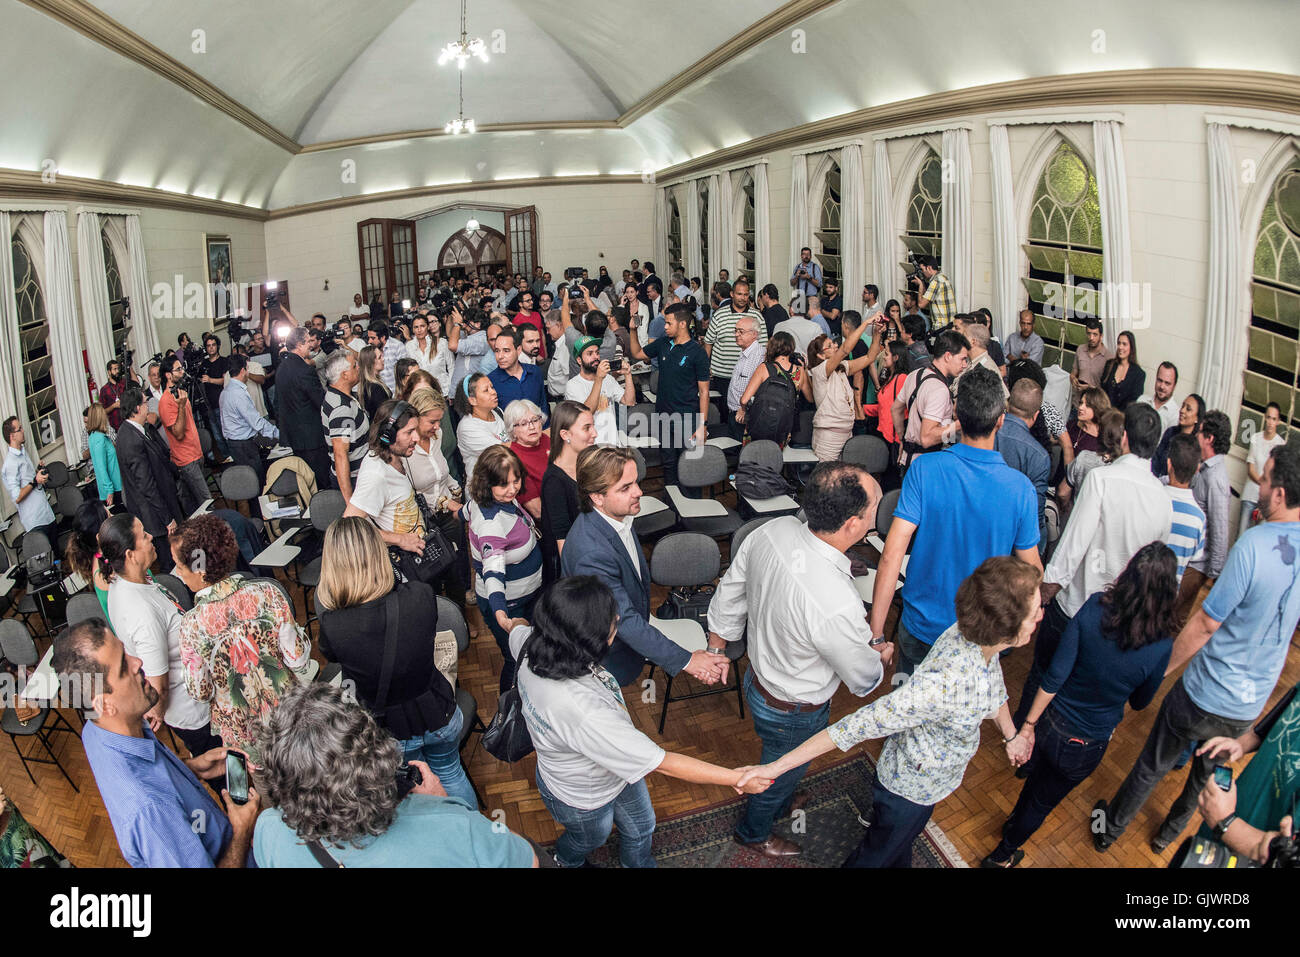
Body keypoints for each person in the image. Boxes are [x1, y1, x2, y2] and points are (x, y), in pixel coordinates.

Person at [742, 555, 1042, 868]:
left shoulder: (977, 638)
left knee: (896, 847)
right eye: (1034, 613)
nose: (1040, 617)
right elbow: (851, 727)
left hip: (932, 782)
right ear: (1006, 629)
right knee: (874, 858)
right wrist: (774, 768)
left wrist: (1012, 737)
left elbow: (991, 690)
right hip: (910, 792)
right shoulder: (939, 688)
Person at [1096, 445, 1300, 854]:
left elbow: (1207, 623)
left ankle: (1109, 830)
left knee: (1153, 763)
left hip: (1204, 693)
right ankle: (1166, 838)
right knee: (1206, 780)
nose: (1259, 483)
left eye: (1266, 477)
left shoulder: (1254, 545)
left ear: (1278, 494)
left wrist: (1160, 671)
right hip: (1247, 707)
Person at [511, 577, 769, 868]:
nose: (618, 618)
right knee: (589, 839)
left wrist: (508, 620)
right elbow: (666, 763)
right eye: (611, 619)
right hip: (581, 795)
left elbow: (516, 629)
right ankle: (565, 860)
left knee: (642, 827)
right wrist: (735, 778)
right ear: (588, 640)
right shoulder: (584, 713)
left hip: (617, 773)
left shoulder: (534, 643)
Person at [708, 462, 887, 857]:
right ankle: (753, 832)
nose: (880, 509)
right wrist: (878, 651)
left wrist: (718, 648)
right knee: (777, 773)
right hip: (793, 709)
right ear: (854, 525)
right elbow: (863, 681)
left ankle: (784, 795)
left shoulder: (772, 531)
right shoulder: (835, 602)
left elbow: (730, 593)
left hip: (758, 680)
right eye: (875, 505)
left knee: (780, 763)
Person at [984, 544, 1178, 868]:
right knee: (1042, 802)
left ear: (1128, 575)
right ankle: (1002, 856)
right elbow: (1141, 702)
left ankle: (1013, 822)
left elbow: (1055, 676)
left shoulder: (1094, 607)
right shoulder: (1161, 646)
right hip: (1086, 745)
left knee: (1034, 783)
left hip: (1049, 722)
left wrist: (1028, 726)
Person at [873, 365, 1041, 674]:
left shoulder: (924, 469)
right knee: (959, 717)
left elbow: (891, 557)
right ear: (1001, 420)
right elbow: (1032, 572)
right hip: (980, 633)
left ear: (957, 418)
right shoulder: (1021, 490)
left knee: (909, 709)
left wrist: (876, 635)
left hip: (922, 624)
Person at [253, 683, 534, 867]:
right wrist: (442, 805)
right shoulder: (458, 827)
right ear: (376, 751)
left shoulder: (268, 829)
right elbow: (528, 861)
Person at [53, 619, 259, 867]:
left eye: (126, 652)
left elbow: (159, 781)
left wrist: (192, 768)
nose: (137, 662)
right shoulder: (149, 813)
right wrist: (242, 829)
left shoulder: (99, 729)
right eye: (123, 667)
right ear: (104, 704)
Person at [1016, 404, 1172, 727]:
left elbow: (1073, 544)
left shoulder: (1103, 479)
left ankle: (1023, 736)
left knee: (1043, 674)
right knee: (1074, 687)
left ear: (1125, 437)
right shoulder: (1163, 498)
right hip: (1117, 619)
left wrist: (1045, 591)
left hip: (1074, 606)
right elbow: (1153, 564)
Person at [315, 518, 476, 808]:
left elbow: (334, 656)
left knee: (413, 797)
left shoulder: (332, 624)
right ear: (379, 553)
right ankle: (473, 834)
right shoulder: (420, 595)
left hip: (389, 730)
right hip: (440, 712)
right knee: (451, 773)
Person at [562, 446, 723, 687]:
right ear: (597, 497)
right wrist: (688, 660)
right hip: (608, 659)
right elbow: (622, 620)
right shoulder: (592, 553)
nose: (638, 492)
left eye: (636, 482)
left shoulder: (616, 516)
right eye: (625, 488)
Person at [170, 515, 312, 767]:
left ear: (200, 569)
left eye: (179, 566)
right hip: (293, 721)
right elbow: (298, 658)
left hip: (246, 739)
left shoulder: (191, 625)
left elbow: (200, 692)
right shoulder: (268, 593)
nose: (178, 575)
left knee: (272, 800)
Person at [100, 513, 216, 758]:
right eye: (143, 535)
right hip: (194, 708)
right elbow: (158, 685)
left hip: (197, 691)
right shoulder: (141, 612)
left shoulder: (126, 581)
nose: (151, 536)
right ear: (130, 555)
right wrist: (159, 711)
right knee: (221, 765)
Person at [1189, 679, 1300, 866]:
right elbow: (1288, 710)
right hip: (1227, 816)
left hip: (1242, 852)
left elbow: (1287, 858)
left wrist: (1225, 822)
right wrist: (1243, 743)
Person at [464, 444, 543, 691]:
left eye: (516, 480)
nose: (512, 489)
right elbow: (493, 571)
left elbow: (465, 511)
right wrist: (501, 613)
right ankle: (507, 714)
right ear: (487, 484)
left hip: (524, 596)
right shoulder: (491, 526)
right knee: (515, 659)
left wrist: (454, 511)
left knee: (527, 653)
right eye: (504, 484)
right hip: (509, 605)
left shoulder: (484, 501)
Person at [625, 303, 710, 488]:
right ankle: (673, 505)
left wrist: (703, 425)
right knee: (669, 464)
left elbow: (704, 391)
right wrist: (632, 330)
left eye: (668, 323)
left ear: (682, 324)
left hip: (687, 418)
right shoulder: (663, 343)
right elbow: (638, 353)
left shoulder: (697, 353)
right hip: (663, 416)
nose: (665, 327)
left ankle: (691, 508)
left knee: (689, 465)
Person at [113, 389, 184, 567]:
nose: (148, 406)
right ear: (137, 408)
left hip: (161, 505)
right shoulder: (130, 438)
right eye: (145, 403)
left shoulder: (136, 430)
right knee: (173, 562)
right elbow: (146, 485)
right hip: (155, 515)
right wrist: (167, 518)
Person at [1175, 409, 1232, 624]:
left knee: (1170, 619)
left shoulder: (1216, 478)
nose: (1196, 435)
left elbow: (1220, 531)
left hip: (1196, 565)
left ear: (1209, 438)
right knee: (1173, 620)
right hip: (1189, 560)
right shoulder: (1205, 469)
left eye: (1199, 432)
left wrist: (1211, 579)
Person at [805, 318, 884, 461]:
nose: (835, 345)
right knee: (828, 478)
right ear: (820, 355)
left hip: (847, 432)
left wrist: (876, 333)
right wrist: (866, 323)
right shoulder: (820, 370)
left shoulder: (841, 368)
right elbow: (845, 349)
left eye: (834, 343)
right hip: (829, 436)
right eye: (830, 345)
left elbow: (870, 357)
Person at [892, 329, 970, 470]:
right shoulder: (939, 389)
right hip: (926, 466)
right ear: (948, 356)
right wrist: (961, 424)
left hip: (907, 459)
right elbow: (926, 438)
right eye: (962, 359)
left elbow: (896, 409)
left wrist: (902, 438)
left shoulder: (915, 374)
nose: (965, 365)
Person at [539, 401, 596, 585]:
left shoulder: (586, 464)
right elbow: (562, 542)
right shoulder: (554, 481)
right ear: (565, 435)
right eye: (587, 428)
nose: (594, 433)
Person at [995, 378, 1051, 548]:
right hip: (1010, 538)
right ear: (1035, 415)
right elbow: (1036, 515)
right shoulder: (1039, 456)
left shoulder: (984, 431)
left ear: (1008, 404)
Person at [704, 278, 767, 426]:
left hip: (748, 379)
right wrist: (706, 366)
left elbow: (764, 346)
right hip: (722, 374)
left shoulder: (756, 316)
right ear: (732, 294)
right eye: (739, 294)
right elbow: (708, 342)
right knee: (723, 417)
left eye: (746, 295)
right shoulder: (720, 315)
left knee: (742, 418)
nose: (743, 298)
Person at [275, 327, 331, 491]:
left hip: (294, 437)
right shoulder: (305, 370)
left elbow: (278, 404)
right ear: (299, 345)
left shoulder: (282, 369)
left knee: (307, 482)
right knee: (322, 482)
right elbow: (321, 402)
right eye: (308, 342)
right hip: (312, 438)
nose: (311, 346)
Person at [156, 354, 210, 513]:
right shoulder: (166, 402)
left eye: (182, 368)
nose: (182, 372)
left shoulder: (180, 393)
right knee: (207, 502)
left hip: (196, 454)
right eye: (178, 369)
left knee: (195, 505)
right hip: (186, 460)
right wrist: (180, 406)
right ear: (168, 375)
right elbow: (178, 434)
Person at [219, 353, 279, 486]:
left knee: (248, 483)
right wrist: (279, 434)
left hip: (235, 444)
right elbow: (257, 422)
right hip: (244, 445)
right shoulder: (238, 394)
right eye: (247, 369)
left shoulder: (226, 391)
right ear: (242, 371)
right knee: (257, 483)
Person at [564, 335, 634, 446]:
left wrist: (628, 375)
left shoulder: (608, 379)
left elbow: (629, 401)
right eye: (590, 353)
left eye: (597, 352)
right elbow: (586, 413)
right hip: (591, 449)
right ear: (579, 360)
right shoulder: (572, 385)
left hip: (613, 445)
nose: (596, 357)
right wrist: (599, 379)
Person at [320, 349, 370, 505]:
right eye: (355, 366)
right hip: (356, 481)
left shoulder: (341, 396)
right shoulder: (341, 409)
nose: (359, 368)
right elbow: (340, 454)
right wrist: (350, 502)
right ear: (345, 375)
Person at [2, 415, 57, 547]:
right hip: (35, 521)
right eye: (19, 429)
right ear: (12, 436)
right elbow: (17, 496)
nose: (23, 431)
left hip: (46, 513)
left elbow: (29, 480)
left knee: (57, 556)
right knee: (48, 562)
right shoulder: (10, 464)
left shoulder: (23, 452)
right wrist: (35, 480)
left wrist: (38, 471)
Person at [1057, 387, 1112, 506]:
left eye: (1087, 405)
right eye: (1081, 403)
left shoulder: (1104, 440)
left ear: (1098, 408)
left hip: (1080, 499)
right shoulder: (1072, 426)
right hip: (1060, 488)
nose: (1081, 407)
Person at [1164, 433, 1207, 583]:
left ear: (1169, 464)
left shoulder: (1152, 499)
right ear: (1197, 468)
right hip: (1168, 598)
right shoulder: (1199, 519)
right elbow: (1194, 558)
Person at [1239, 401, 1285, 541]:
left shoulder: (1281, 445)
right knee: (1241, 537)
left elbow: (1277, 477)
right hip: (1249, 494)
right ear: (1264, 417)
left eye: (1274, 419)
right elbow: (1250, 468)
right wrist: (1262, 482)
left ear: (1278, 422)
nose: (1270, 422)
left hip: (1266, 501)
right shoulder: (1255, 438)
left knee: (1260, 540)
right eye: (1268, 417)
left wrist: (1266, 493)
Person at [455, 372, 510, 485]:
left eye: (492, 387)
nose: (493, 392)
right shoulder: (467, 427)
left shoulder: (497, 411)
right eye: (486, 390)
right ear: (472, 400)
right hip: (483, 489)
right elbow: (503, 451)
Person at [488, 326, 548, 423]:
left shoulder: (535, 372)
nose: (500, 356)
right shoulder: (490, 381)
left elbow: (543, 405)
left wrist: (546, 430)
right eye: (497, 351)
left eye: (506, 351)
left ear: (518, 350)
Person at [505, 400, 550, 521]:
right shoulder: (514, 461)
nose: (532, 427)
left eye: (535, 420)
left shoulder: (546, 439)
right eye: (524, 423)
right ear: (512, 429)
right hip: (549, 519)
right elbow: (538, 511)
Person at [1152, 392, 1205, 480]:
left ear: (1197, 418)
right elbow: (1156, 460)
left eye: (1188, 409)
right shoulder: (1170, 432)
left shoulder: (1195, 444)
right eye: (1182, 406)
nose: (1182, 410)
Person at [81, 404, 121, 508]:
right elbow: (101, 467)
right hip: (114, 489)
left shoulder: (95, 436)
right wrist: (109, 489)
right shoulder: (99, 438)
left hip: (113, 487)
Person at [406, 313, 454, 393]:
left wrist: (451, 390)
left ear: (428, 327)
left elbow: (452, 366)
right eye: (416, 327)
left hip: (443, 392)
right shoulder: (409, 346)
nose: (419, 330)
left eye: (422, 326)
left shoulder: (441, 343)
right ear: (413, 329)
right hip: (421, 394)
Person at [1099, 330, 1146, 412]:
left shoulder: (1139, 374)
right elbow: (1101, 391)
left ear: (1131, 347)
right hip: (1103, 414)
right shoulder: (1109, 364)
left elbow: (1133, 402)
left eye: (1124, 344)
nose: (1120, 347)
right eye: (1119, 343)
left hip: (1122, 419)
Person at [1070, 317, 1111, 402]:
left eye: (1095, 334)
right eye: (1089, 334)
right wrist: (1073, 379)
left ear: (1101, 336)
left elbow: (1108, 389)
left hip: (1095, 405)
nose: (1091, 338)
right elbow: (1073, 373)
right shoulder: (1080, 349)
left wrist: (1090, 388)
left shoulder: (1108, 357)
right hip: (1077, 403)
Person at [912, 254, 955, 330]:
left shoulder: (936, 281)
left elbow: (921, 304)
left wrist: (920, 286)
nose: (922, 272)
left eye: (922, 270)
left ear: (929, 268)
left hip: (942, 327)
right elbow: (927, 296)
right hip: (948, 325)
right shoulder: (941, 277)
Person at [1137, 360, 1180, 434]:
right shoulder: (1142, 400)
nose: (1162, 386)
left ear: (1174, 386)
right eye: (1160, 380)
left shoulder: (1176, 415)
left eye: (1167, 383)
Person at [356, 343, 391, 422]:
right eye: (379, 357)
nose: (383, 359)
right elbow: (384, 415)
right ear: (371, 363)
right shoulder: (374, 388)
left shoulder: (367, 384)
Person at [98, 358, 131, 431]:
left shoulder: (123, 383)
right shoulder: (104, 389)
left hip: (130, 421)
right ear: (109, 372)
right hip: (116, 427)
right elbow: (101, 412)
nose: (117, 371)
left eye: (118, 369)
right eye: (115, 369)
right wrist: (113, 406)